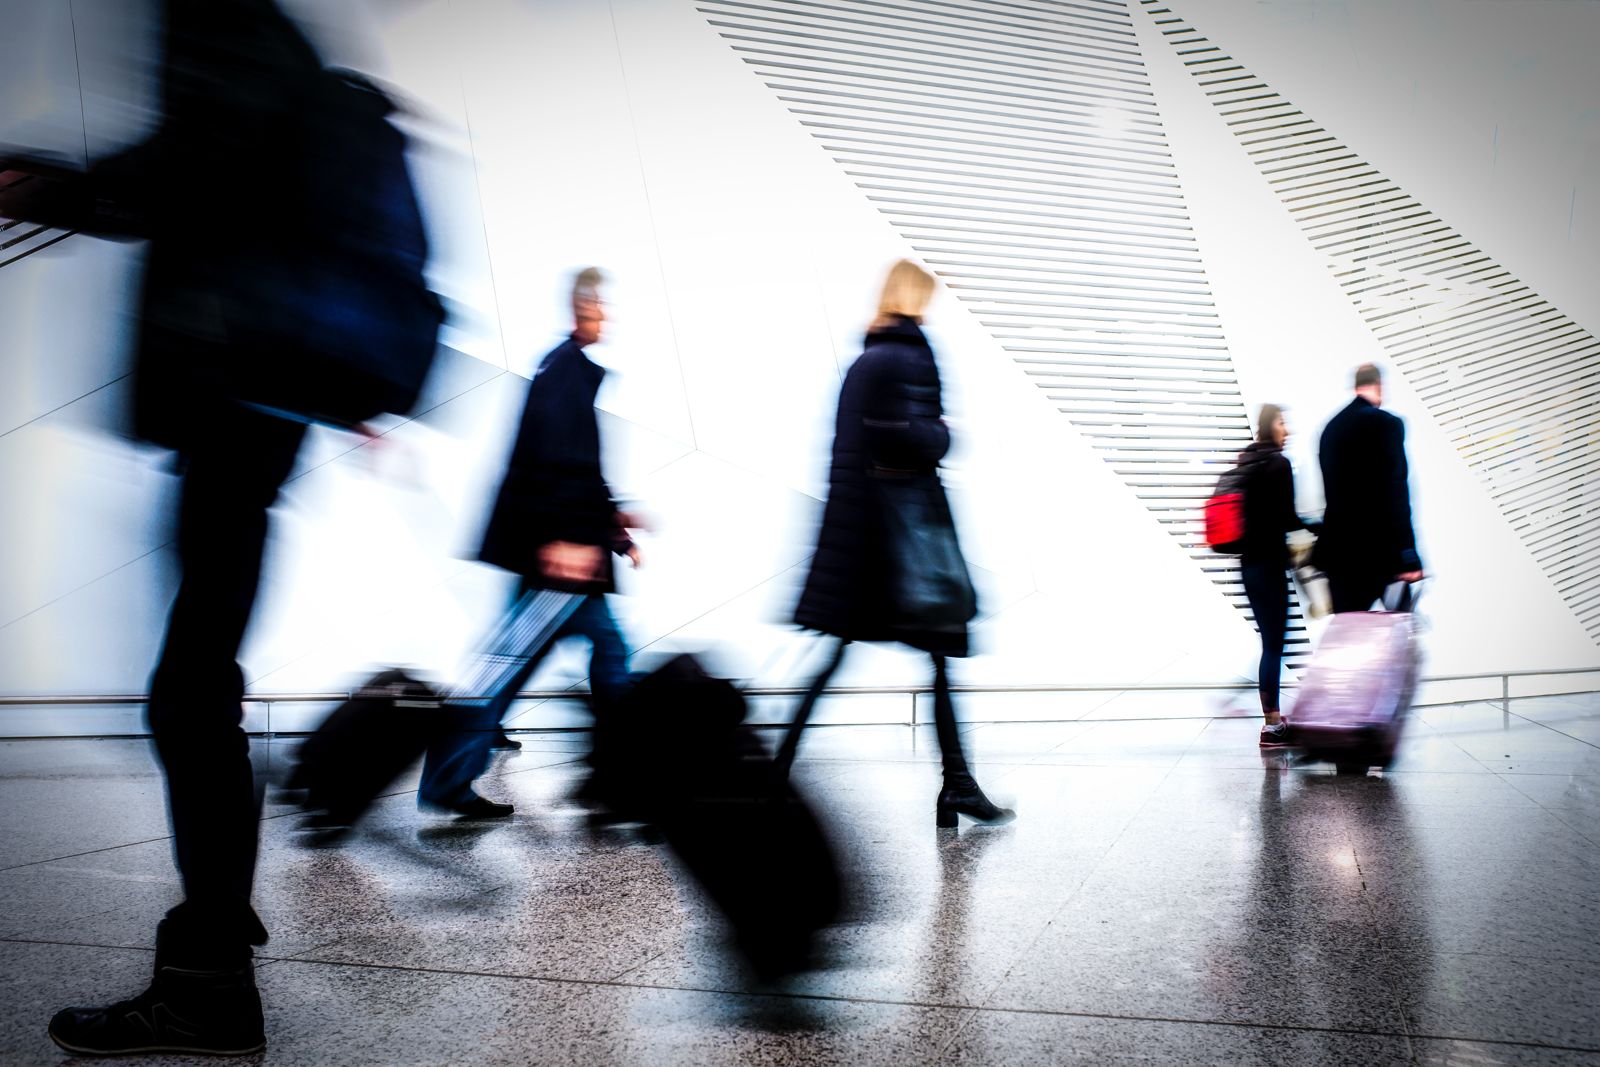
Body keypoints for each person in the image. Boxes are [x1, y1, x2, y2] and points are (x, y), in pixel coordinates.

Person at [3, 0, 431, 1056]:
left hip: (236, 381)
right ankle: (210, 958)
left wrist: (57, 186)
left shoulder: (223, 17)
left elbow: (202, 160)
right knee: (195, 687)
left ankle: (209, 976)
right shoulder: (264, 26)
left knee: (190, 691)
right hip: (260, 388)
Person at [782, 259, 1012, 828]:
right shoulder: (910, 353)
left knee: (834, 660)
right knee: (937, 661)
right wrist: (943, 432)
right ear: (917, 299)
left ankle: (774, 776)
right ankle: (955, 787)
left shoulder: (865, 357)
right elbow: (915, 436)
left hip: (864, 540)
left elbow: (850, 449)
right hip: (904, 547)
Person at [417, 268, 642, 817]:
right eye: (601, 306)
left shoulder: (568, 372)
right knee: (510, 668)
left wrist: (615, 528)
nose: (607, 316)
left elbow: (580, 471)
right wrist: (568, 538)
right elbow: (555, 468)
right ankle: (450, 782)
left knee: (601, 657)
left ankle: (612, 776)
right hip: (561, 557)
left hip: (565, 551)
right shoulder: (564, 373)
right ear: (581, 309)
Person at [1314, 363, 1424, 613]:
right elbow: (1396, 491)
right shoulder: (1387, 424)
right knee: (1399, 637)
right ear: (1379, 386)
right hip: (1381, 555)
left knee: (1348, 641)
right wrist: (1408, 552)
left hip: (1339, 555)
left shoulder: (1330, 429)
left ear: (1355, 386)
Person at [1237, 404, 1314, 747]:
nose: (1289, 430)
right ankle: (1272, 725)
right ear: (1272, 425)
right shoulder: (1279, 464)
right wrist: (1322, 527)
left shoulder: (1247, 462)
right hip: (1269, 563)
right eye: (1284, 422)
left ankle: (1272, 718)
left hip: (1249, 565)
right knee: (1273, 645)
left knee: (1270, 643)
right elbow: (1288, 519)